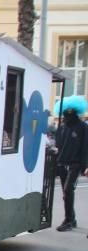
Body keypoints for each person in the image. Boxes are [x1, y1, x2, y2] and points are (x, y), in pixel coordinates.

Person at [53, 97, 88, 232]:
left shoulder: (83, 127)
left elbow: (85, 147)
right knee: (65, 193)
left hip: (75, 164)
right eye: (66, 111)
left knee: (68, 190)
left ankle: (68, 220)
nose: (68, 114)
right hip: (63, 163)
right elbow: (58, 145)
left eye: (71, 111)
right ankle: (71, 218)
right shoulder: (62, 128)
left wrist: (85, 166)